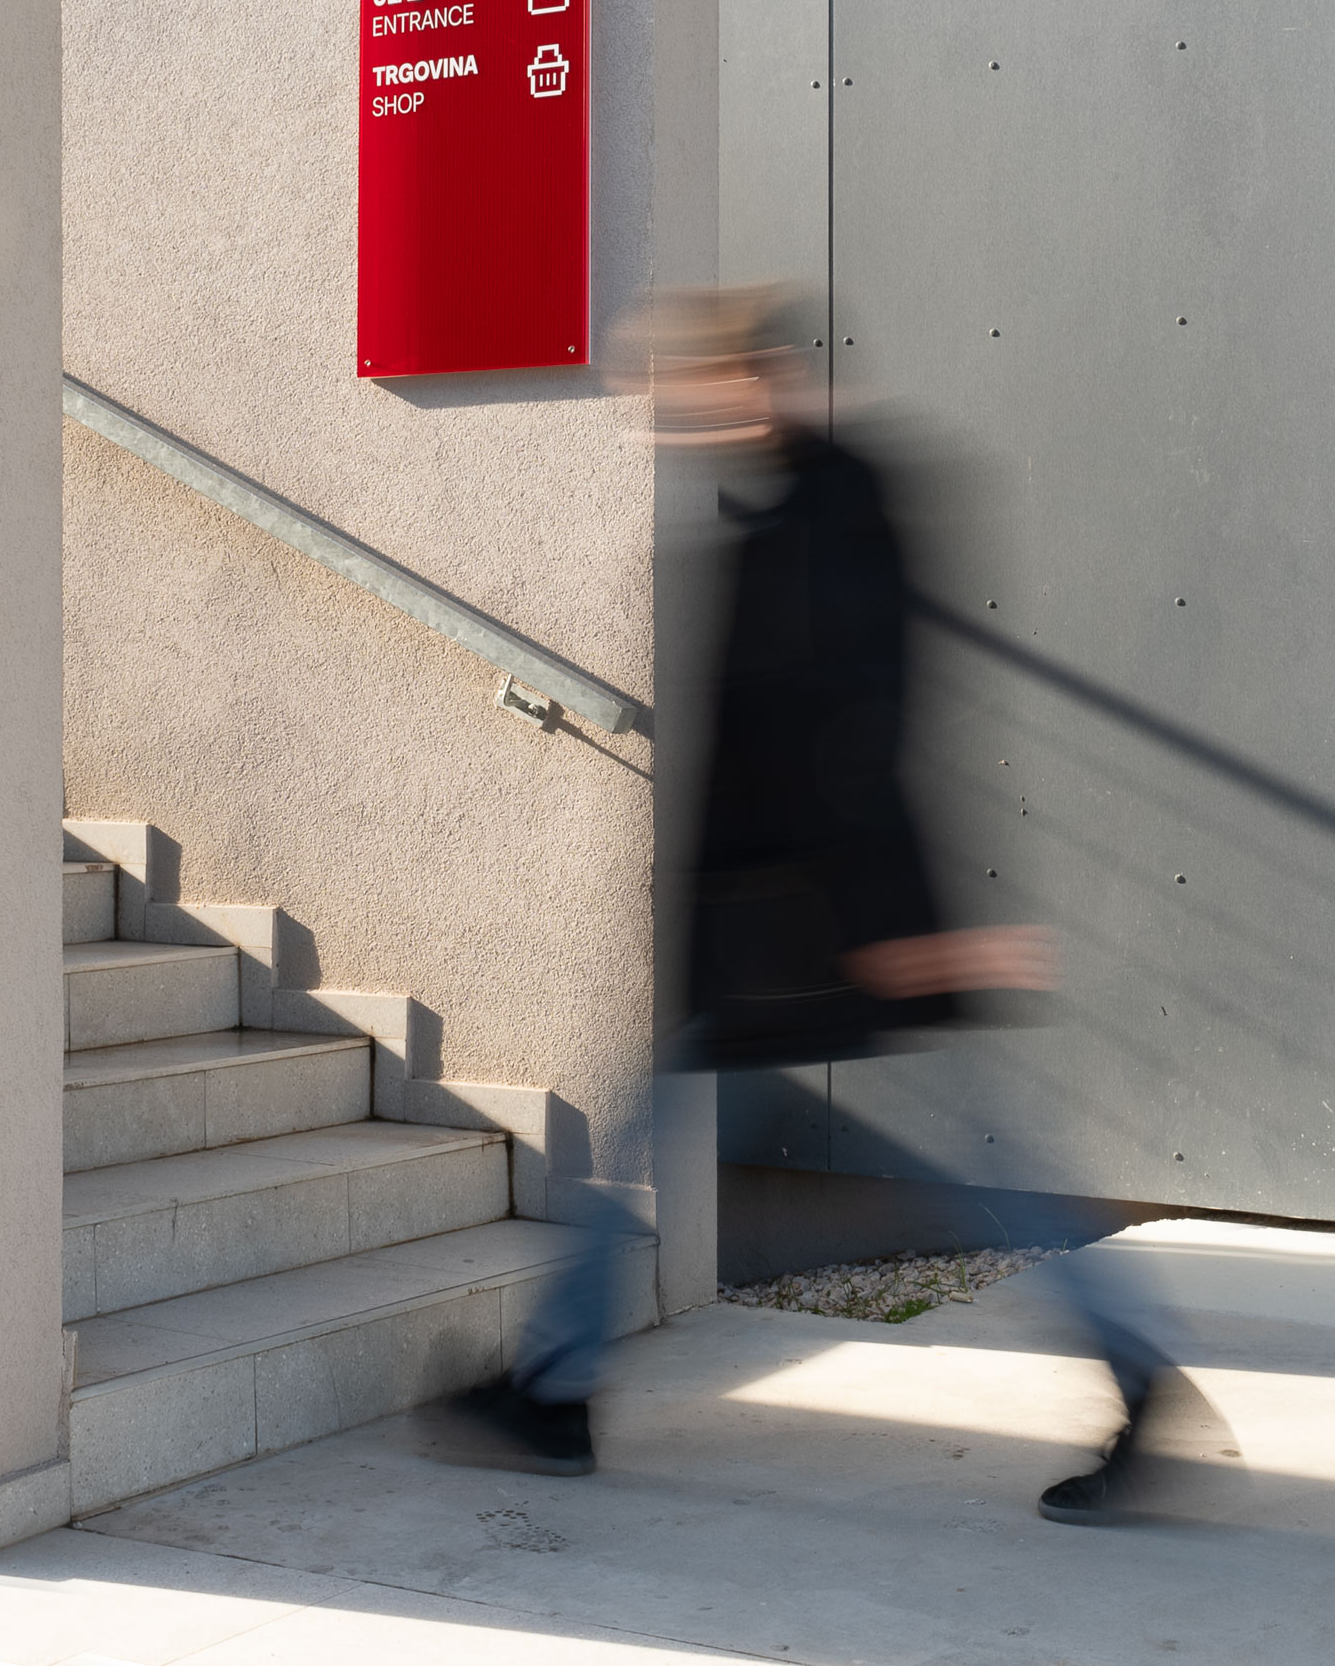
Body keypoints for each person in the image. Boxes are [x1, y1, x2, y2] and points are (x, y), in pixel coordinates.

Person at [432, 289, 1173, 1525]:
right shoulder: (788, 505)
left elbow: (858, 723)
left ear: (747, 377)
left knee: (988, 1164)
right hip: (770, 932)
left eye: (677, 392)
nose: (662, 420)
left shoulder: (831, 510)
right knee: (660, 1139)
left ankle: (1141, 1375)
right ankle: (552, 1391)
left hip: (833, 931)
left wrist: (894, 921)